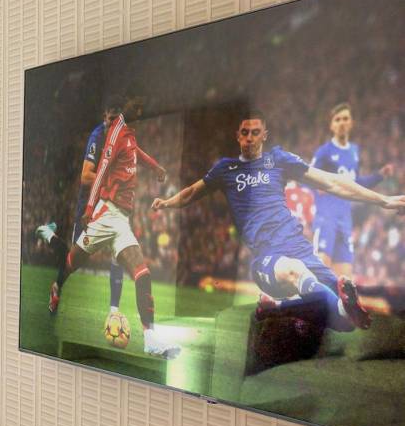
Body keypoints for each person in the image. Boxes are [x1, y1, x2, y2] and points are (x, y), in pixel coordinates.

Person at [151, 110, 405, 331]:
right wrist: (167, 203)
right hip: (267, 259)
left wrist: (383, 200)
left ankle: (280, 307)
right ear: (237, 136)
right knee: (297, 271)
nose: (249, 137)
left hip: (301, 249)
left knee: (346, 323)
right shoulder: (226, 169)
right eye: (244, 132)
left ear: (265, 135)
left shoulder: (279, 160)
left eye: (255, 132)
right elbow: (192, 192)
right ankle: (330, 305)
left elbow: (332, 182)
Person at [37, 105, 180, 359]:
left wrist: (156, 167)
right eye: (111, 117)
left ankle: (149, 338)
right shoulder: (108, 134)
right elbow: (96, 173)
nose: (113, 121)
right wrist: (90, 208)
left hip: (121, 220)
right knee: (71, 261)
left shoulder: (128, 133)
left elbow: (134, 151)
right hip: (103, 213)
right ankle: (56, 279)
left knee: (143, 274)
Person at [309, 103, 396, 277]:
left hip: (345, 219)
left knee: (346, 280)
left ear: (351, 123)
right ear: (331, 125)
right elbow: (307, 176)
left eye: (345, 118)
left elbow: (355, 184)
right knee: (321, 272)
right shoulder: (324, 152)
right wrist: (316, 187)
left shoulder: (354, 151)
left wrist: (379, 175)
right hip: (327, 217)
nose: (342, 122)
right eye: (337, 119)